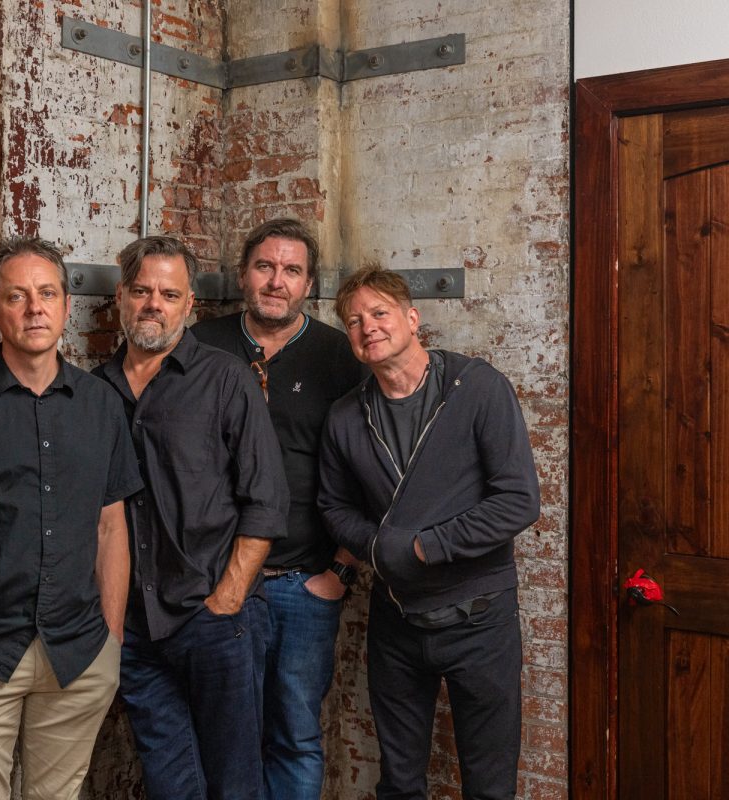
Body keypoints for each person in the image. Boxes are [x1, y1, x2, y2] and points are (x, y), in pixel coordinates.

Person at [318, 266, 539, 800]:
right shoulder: (347, 416)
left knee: (489, 786)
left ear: (412, 318)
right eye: (353, 321)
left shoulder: (476, 386)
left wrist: (423, 546)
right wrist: (379, 548)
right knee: (399, 783)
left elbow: (518, 500)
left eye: (379, 313)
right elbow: (333, 505)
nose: (367, 326)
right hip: (396, 622)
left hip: (480, 621)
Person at [0, 237, 142, 799]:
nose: (35, 308)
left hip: (78, 653)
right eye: (17, 296)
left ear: (66, 306)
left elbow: (111, 525)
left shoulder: (102, 405)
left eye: (47, 293)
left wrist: (113, 638)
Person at [93, 235, 289, 800]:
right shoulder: (93, 391)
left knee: (234, 781)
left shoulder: (226, 379)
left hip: (213, 619)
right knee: (169, 782)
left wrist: (227, 598)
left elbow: (266, 501)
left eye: (169, 293)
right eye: (141, 290)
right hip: (133, 627)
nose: (154, 303)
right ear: (121, 298)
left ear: (189, 306)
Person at [190, 218, 366, 800]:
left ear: (309, 284)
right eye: (264, 267)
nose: (276, 281)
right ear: (243, 274)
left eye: (292, 271)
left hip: (301, 583)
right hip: (211, 578)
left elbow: (369, 472)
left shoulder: (339, 356)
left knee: (294, 734)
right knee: (218, 733)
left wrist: (338, 571)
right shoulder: (200, 345)